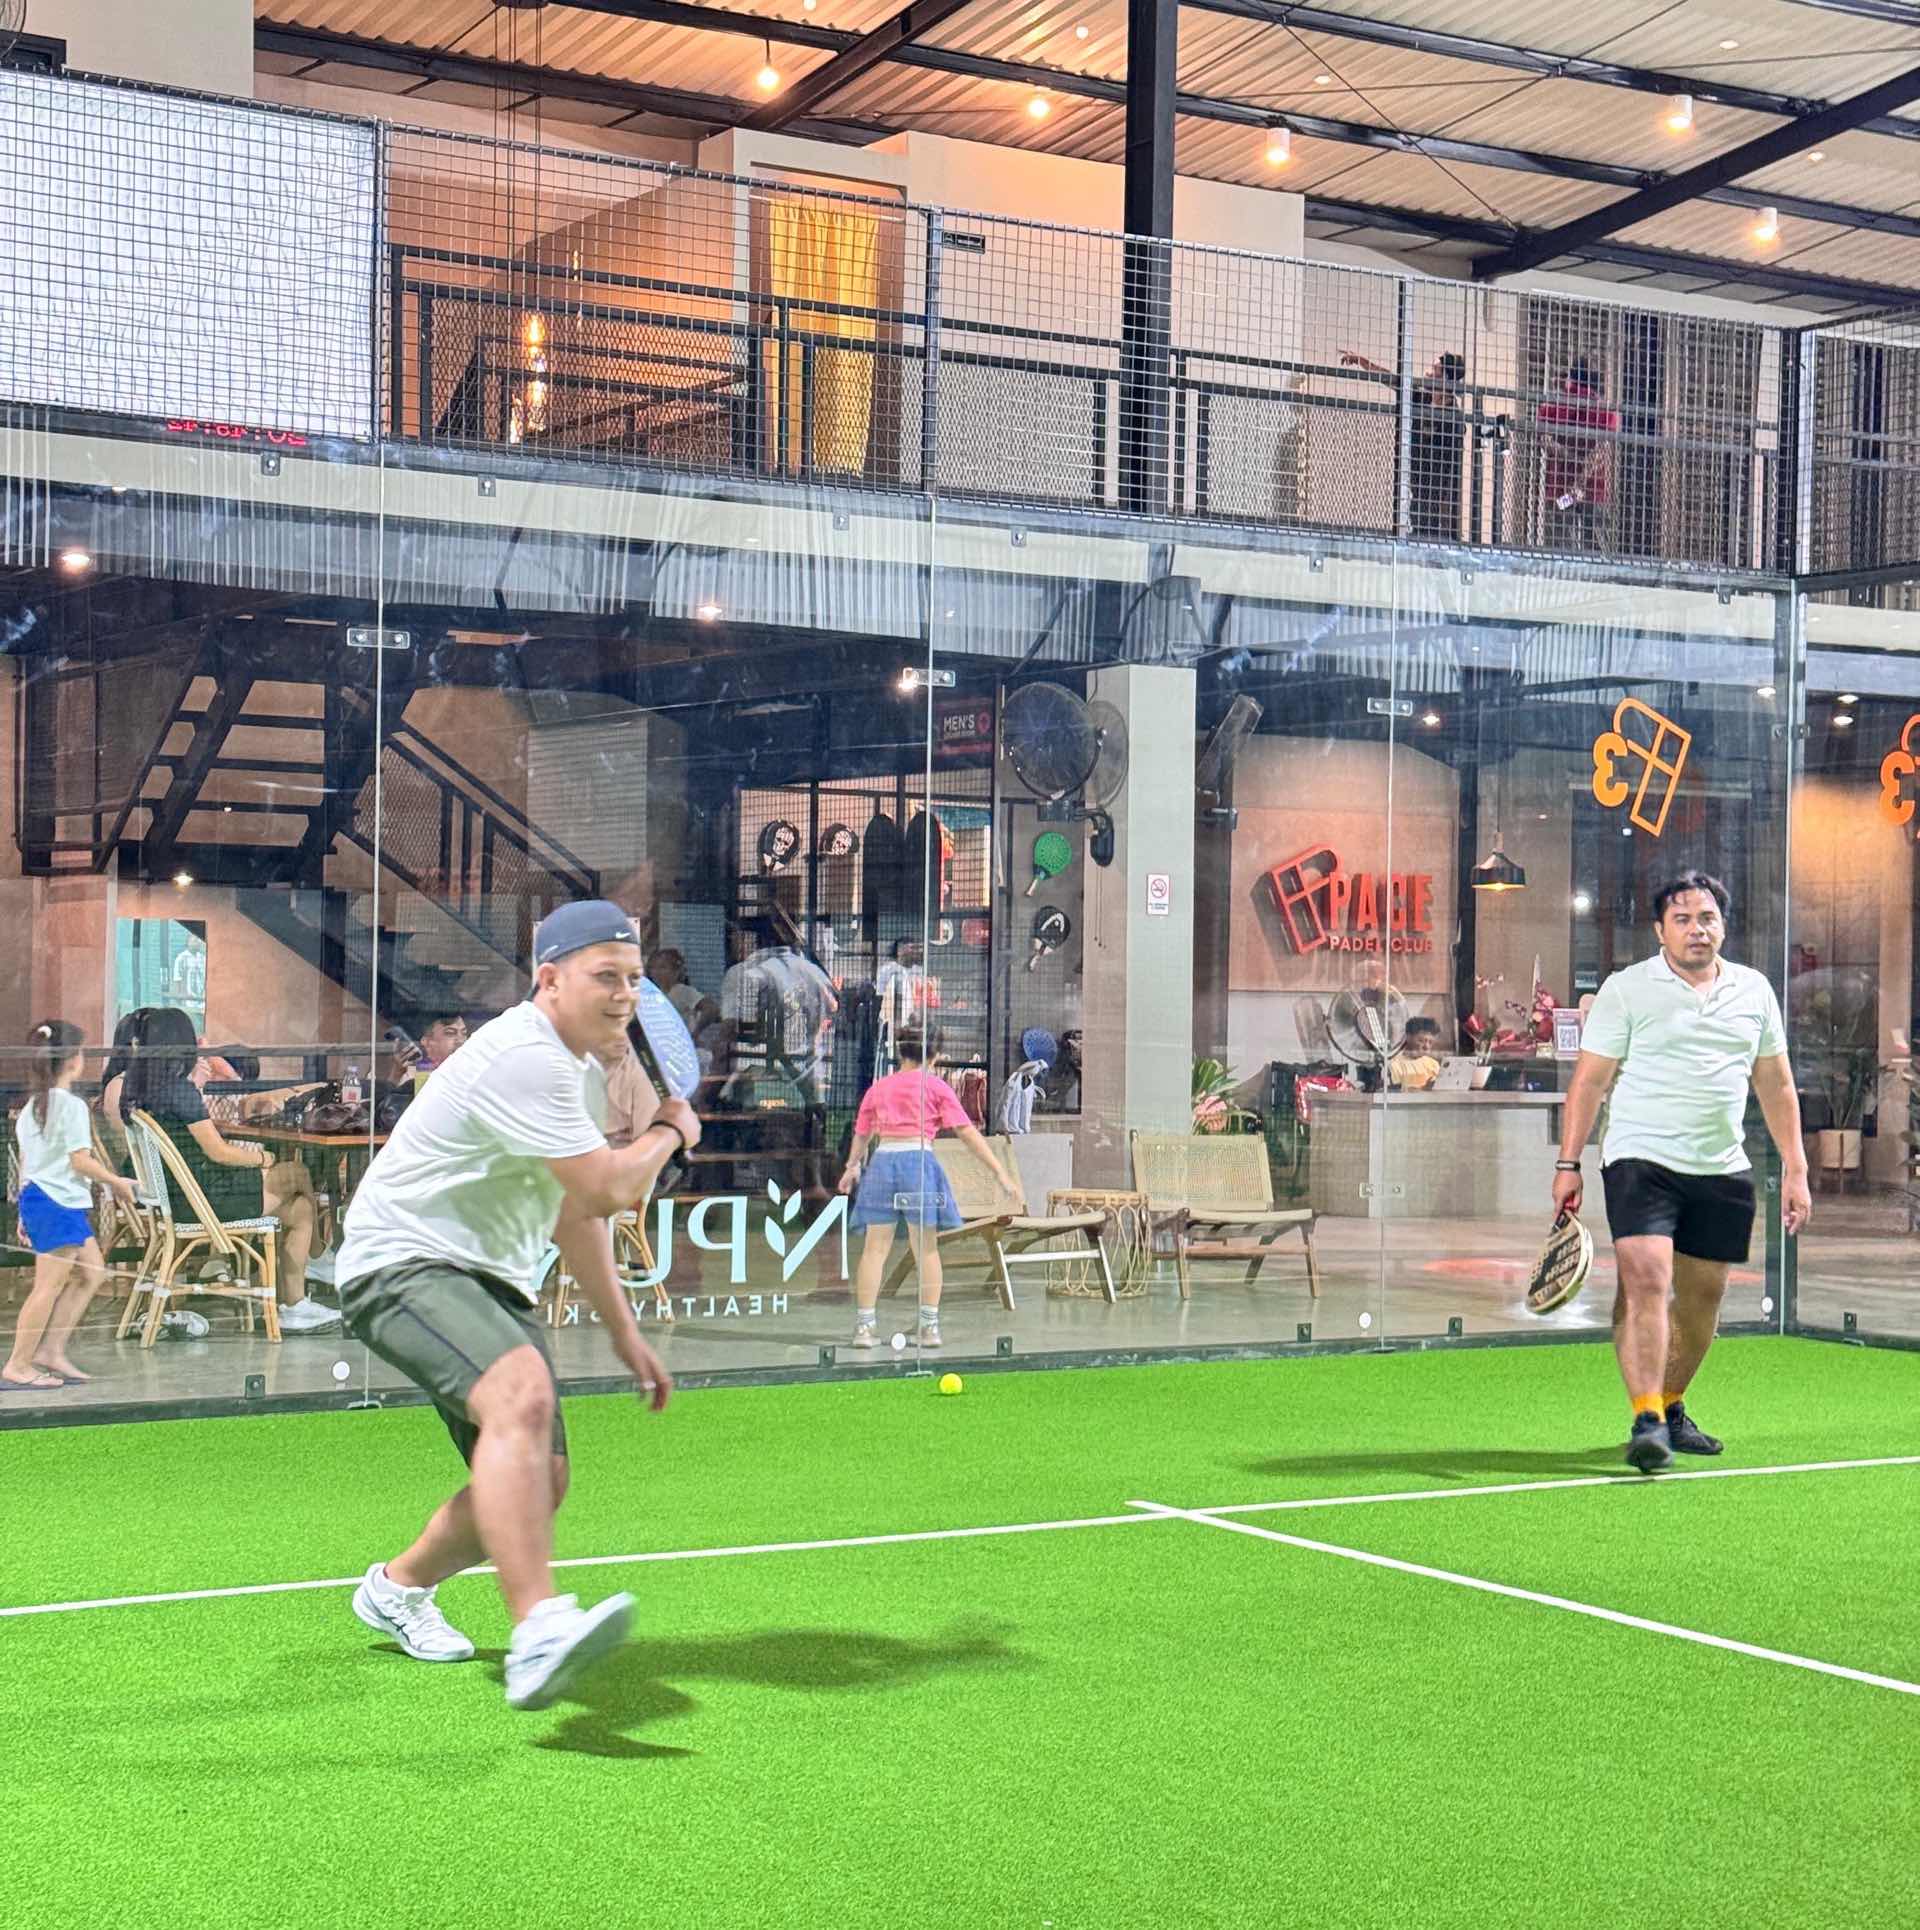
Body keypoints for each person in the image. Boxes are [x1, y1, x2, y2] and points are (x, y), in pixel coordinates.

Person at [335, 900, 699, 1711]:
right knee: (520, 1397)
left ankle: (396, 1590)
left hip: (486, 1278)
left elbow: (574, 1213)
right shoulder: (525, 1056)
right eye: (606, 977)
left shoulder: (573, 1072)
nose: (625, 996)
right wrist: (671, 1130)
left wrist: (625, 1333)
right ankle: (539, 1627)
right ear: (551, 979)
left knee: (545, 1480)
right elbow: (608, 1187)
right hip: (403, 1262)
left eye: (634, 980)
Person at [1553, 871, 1811, 1474]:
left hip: (1721, 1168)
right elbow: (1589, 1082)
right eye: (1683, 919)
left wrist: (1796, 1169)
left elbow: (1776, 1085)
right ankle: (1646, 1418)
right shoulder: (1626, 988)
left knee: (1701, 1300)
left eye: (1708, 918)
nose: (1698, 929)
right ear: (1659, 929)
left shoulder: (1753, 991)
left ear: (1724, 925)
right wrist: (1569, 1163)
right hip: (1640, 1159)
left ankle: (1669, 1405)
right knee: (1647, 1278)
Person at [122, 1006, 331, 1332]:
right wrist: (262, 1160)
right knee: (298, 1173)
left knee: (301, 1209)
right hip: (209, 1199)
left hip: (181, 1199)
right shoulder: (179, 1091)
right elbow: (218, 1151)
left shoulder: (143, 1092)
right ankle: (316, 1261)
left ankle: (298, 1302)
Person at [836, 1023, 1018, 1352]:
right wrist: (1000, 1172)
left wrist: (851, 1166)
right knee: (926, 1249)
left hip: (883, 1162)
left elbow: (863, 1132)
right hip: (918, 1162)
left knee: (874, 1250)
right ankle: (929, 1327)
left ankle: (864, 1328)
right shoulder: (936, 1087)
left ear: (899, 1052)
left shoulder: (879, 1088)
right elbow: (967, 1133)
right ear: (935, 1055)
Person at [4, 1022, 138, 1389]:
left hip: (47, 1201)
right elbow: (79, 1160)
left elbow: (28, 1165)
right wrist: (117, 1182)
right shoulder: (71, 1107)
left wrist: (24, 1211)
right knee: (47, 1286)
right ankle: (18, 1364)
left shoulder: (32, 1107)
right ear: (72, 1060)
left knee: (92, 1271)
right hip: (56, 1204)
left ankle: (51, 1351)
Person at [1341, 346, 1466, 542]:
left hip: (1437, 489)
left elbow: (1450, 463)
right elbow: (1390, 379)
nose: (1427, 373)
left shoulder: (1453, 416)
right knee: (1416, 523)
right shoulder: (1422, 398)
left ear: (1445, 379)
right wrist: (1360, 360)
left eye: (1434, 370)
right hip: (1418, 480)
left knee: (1433, 530)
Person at [1538, 356, 1621, 552]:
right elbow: (1601, 451)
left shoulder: (1556, 406)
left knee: (1559, 547)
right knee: (1598, 547)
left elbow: (1544, 439)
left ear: (1572, 376)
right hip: (1594, 488)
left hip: (1560, 486)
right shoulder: (1605, 410)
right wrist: (1580, 481)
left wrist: (1567, 456)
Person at [647, 949, 715, 1032]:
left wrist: (696, 1032)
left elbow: (711, 1008)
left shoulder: (681, 990)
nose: (656, 972)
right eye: (653, 968)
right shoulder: (653, 994)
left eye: (663, 967)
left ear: (676, 971)